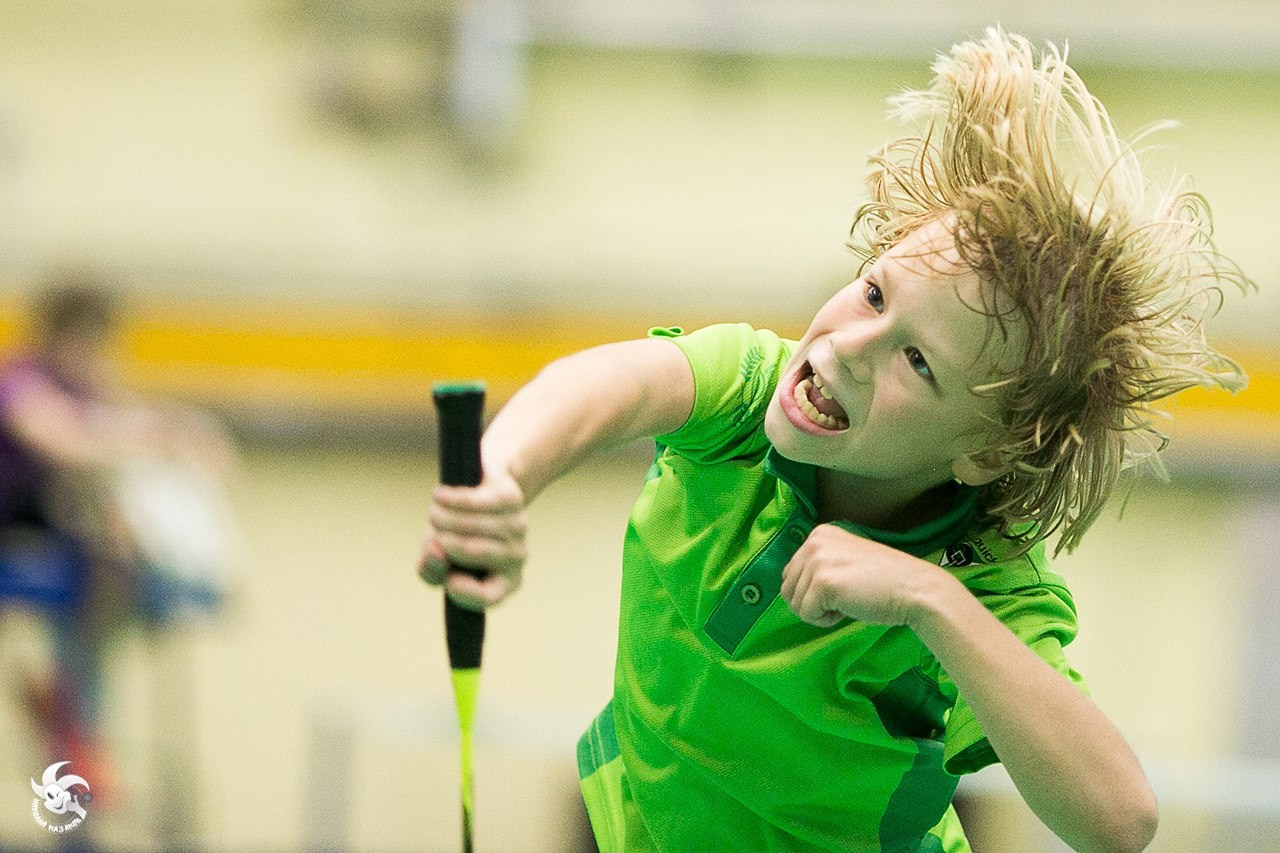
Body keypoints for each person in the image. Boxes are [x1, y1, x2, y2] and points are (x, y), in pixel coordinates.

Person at [418, 29, 1249, 852]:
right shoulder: (746, 391)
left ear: (986, 452)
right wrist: (502, 479)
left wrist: (930, 600)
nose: (849, 345)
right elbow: (607, 386)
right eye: (875, 293)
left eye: (918, 361)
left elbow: (1120, 821)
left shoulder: (985, 584)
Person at [0, 268, 237, 815]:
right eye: (83, 339)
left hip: (57, 543)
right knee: (99, 566)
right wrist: (158, 436)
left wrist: (190, 436)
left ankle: (72, 714)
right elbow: (67, 442)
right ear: (54, 335)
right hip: (12, 536)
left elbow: (127, 429)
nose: (93, 353)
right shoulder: (22, 382)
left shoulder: (89, 390)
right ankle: (72, 721)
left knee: (122, 563)